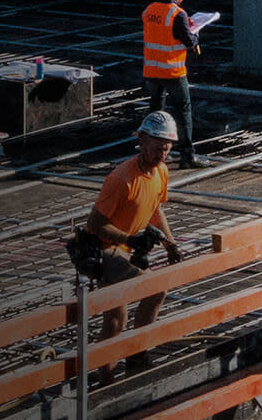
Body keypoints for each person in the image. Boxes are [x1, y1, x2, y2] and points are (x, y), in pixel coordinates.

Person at [70, 111, 187, 345]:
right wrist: (131, 240)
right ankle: (137, 353)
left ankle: (107, 373)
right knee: (155, 290)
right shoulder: (122, 179)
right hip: (103, 249)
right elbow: (95, 224)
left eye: (167, 148)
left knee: (116, 320)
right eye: (157, 148)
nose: (162, 154)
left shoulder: (161, 171)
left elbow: (155, 211)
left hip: (123, 247)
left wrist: (170, 244)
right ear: (142, 141)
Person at [141, 0, 202, 167]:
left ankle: (148, 150)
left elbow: (160, 32)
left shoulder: (149, 10)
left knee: (155, 111)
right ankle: (187, 154)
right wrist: (196, 34)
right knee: (183, 110)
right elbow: (187, 40)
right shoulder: (178, 14)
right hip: (173, 72)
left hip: (152, 71)